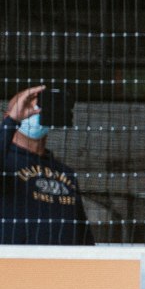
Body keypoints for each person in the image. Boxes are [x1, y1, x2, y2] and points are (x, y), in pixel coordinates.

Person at [0, 86, 92, 245]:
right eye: (26, 107)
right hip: (15, 259)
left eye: (40, 108)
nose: (33, 113)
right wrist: (13, 120)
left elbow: (83, 234)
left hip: (62, 260)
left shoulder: (66, 172)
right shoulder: (5, 163)